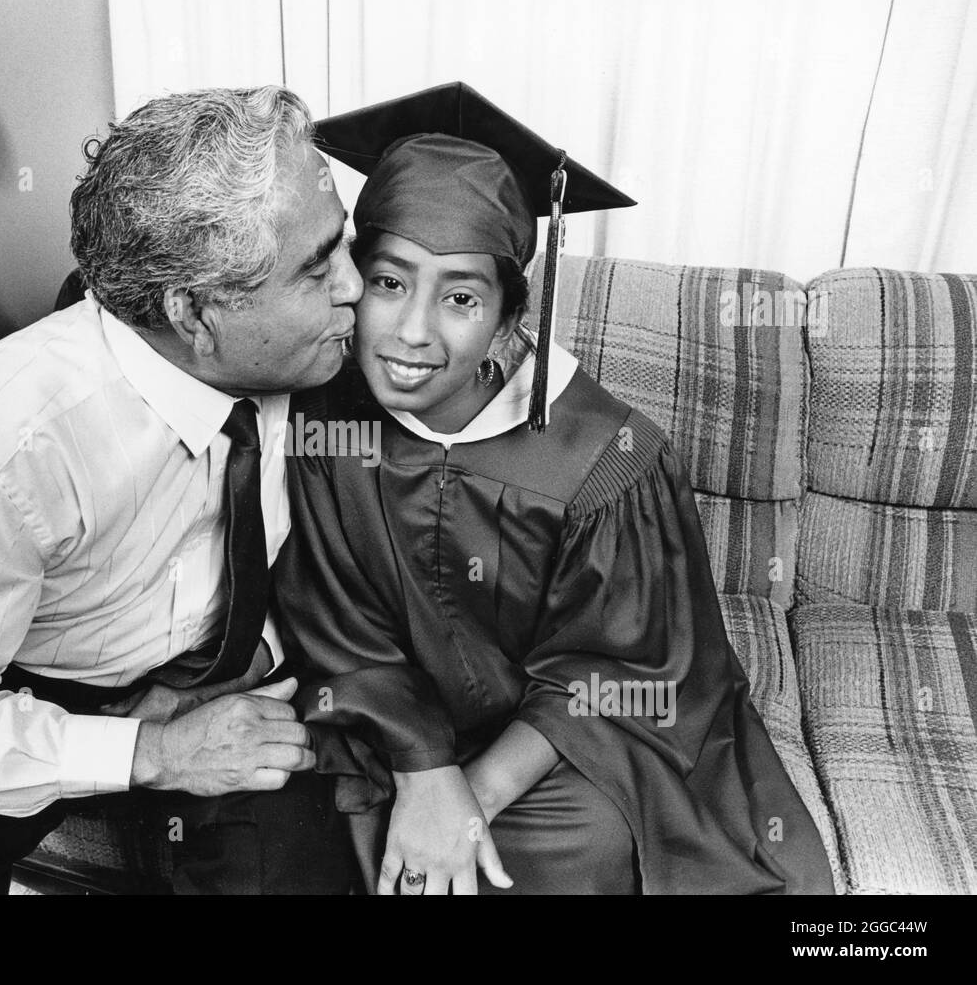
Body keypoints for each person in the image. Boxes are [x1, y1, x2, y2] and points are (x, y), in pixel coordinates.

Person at [0, 85, 363, 895]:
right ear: (195, 314)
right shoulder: (6, 446)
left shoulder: (313, 352)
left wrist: (254, 664)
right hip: (36, 684)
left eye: (340, 243)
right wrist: (151, 752)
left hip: (246, 674)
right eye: (319, 268)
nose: (354, 287)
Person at [277, 82, 835, 895]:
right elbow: (336, 621)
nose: (412, 332)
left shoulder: (608, 460)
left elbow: (616, 669)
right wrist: (425, 771)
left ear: (510, 319)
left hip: (555, 740)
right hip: (386, 727)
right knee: (292, 823)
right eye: (391, 282)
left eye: (461, 297)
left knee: (575, 848)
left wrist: (472, 798)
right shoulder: (327, 421)